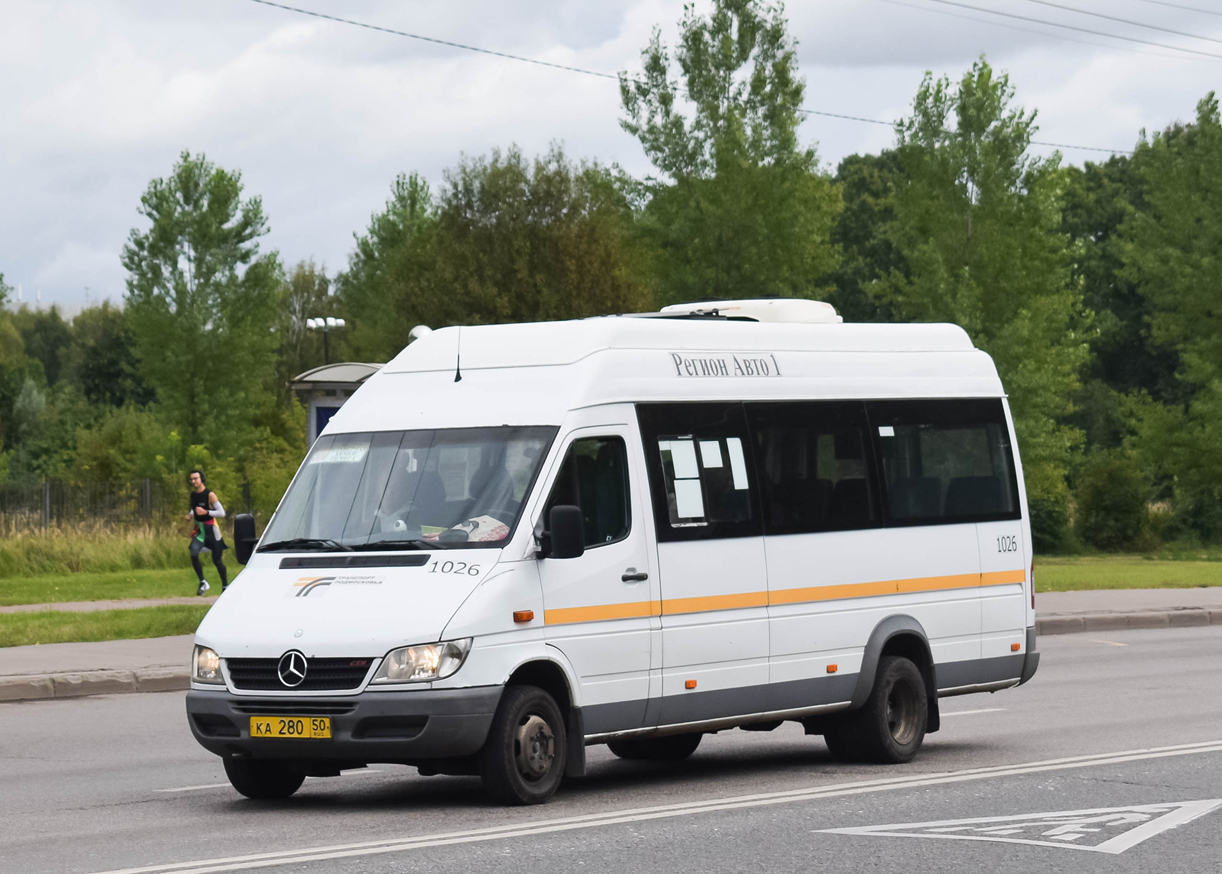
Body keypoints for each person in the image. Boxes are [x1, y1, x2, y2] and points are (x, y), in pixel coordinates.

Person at [187, 469, 228, 595]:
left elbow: (222, 513)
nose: (193, 481)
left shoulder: (210, 495)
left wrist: (207, 512)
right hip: (199, 531)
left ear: (201, 479)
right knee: (193, 554)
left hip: (211, 530)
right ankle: (203, 582)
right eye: (192, 479)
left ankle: (225, 586)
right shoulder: (193, 495)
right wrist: (190, 514)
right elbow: (195, 509)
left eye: (196, 478)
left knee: (217, 560)